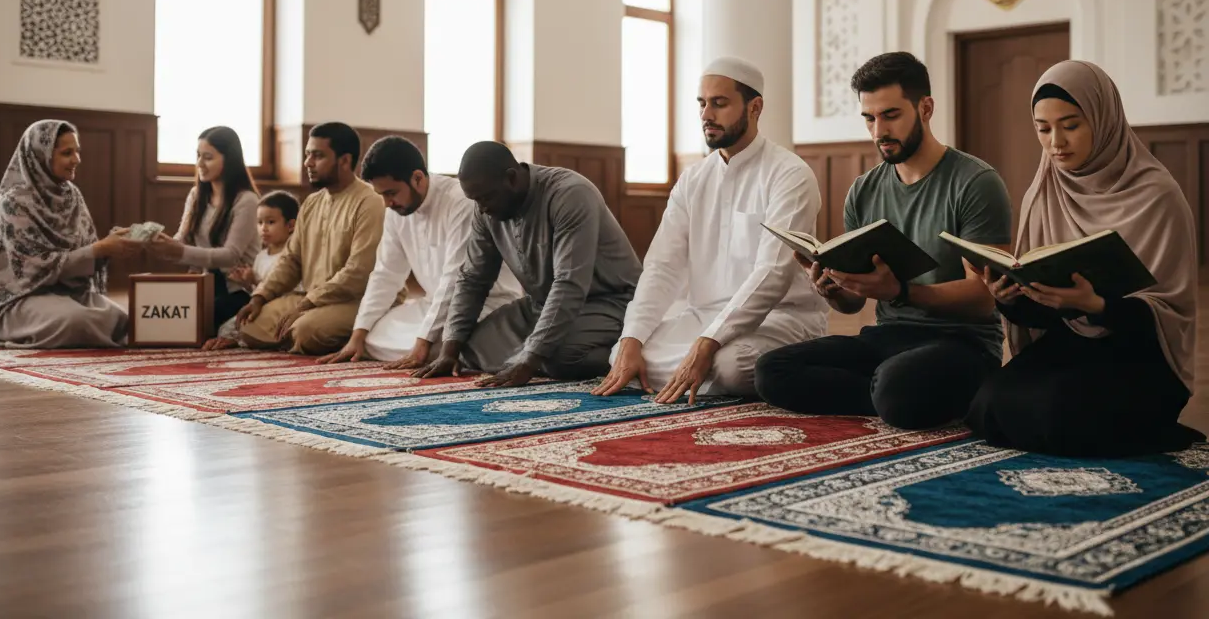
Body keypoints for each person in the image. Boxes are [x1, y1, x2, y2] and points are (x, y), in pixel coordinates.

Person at [754, 52, 1012, 429]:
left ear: (925, 108)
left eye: (891, 115)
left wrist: (901, 291)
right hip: (890, 338)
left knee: (896, 384)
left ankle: (900, 390)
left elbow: (984, 296)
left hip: (962, 343)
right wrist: (833, 287)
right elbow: (853, 303)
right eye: (869, 118)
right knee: (771, 371)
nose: (878, 131)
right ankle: (894, 394)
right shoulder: (863, 190)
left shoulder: (975, 183)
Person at [967, 60, 1201, 457]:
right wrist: (1008, 296)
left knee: (1059, 415)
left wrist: (1093, 304)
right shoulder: (1043, 192)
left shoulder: (1158, 196)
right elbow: (1041, 313)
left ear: (1103, 119)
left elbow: (1170, 316)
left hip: (1140, 355)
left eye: (1070, 125)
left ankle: (1161, 428)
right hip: (1071, 343)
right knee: (986, 407)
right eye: (1043, 129)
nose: (1056, 141)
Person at [595, 58, 827, 403]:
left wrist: (707, 343)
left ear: (755, 107)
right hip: (703, 315)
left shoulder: (789, 174)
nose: (706, 114)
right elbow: (662, 265)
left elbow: (772, 274)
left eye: (719, 103)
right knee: (623, 353)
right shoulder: (694, 178)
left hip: (780, 317)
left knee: (732, 367)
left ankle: (712, 368)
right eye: (702, 103)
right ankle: (691, 369)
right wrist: (632, 337)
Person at [413, 142, 642, 387]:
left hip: (611, 302)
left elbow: (569, 284)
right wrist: (450, 348)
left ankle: (631, 353)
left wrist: (530, 359)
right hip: (541, 305)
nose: (482, 209)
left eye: (486, 198)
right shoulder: (486, 209)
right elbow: (473, 279)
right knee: (469, 349)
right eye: (475, 201)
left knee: (556, 356)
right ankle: (536, 351)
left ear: (511, 178)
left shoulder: (570, 194)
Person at [318, 137, 522, 367]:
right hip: (432, 304)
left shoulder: (461, 202)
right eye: (382, 195)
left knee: (440, 345)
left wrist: (422, 344)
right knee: (374, 335)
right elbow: (385, 274)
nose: (387, 203)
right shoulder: (396, 211)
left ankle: (451, 349)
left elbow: (455, 280)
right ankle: (440, 347)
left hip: (483, 306)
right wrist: (358, 336)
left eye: (391, 193)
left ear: (417, 177)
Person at [0, 120, 141, 349]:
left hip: (66, 291)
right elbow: (32, 268)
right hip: (18, 299)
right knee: (77, 321)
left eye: (77, 151)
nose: (77, 159)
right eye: (67, 153)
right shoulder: (13, 202)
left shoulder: (71, 196)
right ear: (42, 155)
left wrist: (109, 247)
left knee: (121, 320)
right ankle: (4, 332)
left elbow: (85, 251)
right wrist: (98, 249)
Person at [221, 123, 385, 356]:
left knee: (305, 331)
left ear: (345, 161)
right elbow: (291, 260)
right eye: (308, 155)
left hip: (356, 299)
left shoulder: (370, 202)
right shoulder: (311, 203)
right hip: (311, 298)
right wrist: (261, 296)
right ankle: (300, 333)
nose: (308, 163)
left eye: (317, 156)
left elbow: (359, 272)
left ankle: (354, 337)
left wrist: (308, 303)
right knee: (250, 326)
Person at [147, 126, 261, 335]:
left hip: (238, 289)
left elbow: (230, 256)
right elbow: (182, 240)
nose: (199, 163)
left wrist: (178, 252)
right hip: (203, 285)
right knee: (153, 314)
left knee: (188, 323)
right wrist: (160, 244)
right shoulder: (196, 195)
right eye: (198, 156)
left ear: (229, 159)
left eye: (208, 157)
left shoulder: (246, 200)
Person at [210, 191, 301, 345]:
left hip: (282, 308)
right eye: (259, 223)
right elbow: (256, 294)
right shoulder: (261, 256)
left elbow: (289, 291)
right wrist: (246, 282)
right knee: (226, 328)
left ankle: (244, 341)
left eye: (271, 222)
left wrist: (255, 279)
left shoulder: (293, 256)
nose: (263, 228)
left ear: (291, 225)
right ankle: (238, 341)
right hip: (261, 309)